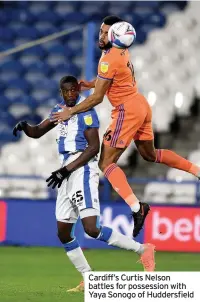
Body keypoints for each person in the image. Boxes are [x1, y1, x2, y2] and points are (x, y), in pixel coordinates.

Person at [52, 16, 200, 238]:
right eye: (101, 32)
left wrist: (70, 111)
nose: (101, 36)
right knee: (150, 155)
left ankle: (136, 208)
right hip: (140, 105)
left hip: (126, 111)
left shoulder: (108, 58)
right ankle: (196, 171)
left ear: (114, 35)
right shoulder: (120, 50)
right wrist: (91, 83)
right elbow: (114, 78)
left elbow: (97, 99)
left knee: (106, 162)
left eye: (105, 33)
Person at [13, 75, 156, 293]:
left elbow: (93, 148)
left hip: (82, 170)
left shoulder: (86, 113)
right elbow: (37, 132)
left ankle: (143, 250)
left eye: (74, 91)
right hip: (65, 172)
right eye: (67, 91)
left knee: (91, 228)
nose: (71, 95)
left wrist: (66, 170)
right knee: (63, 233)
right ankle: (88, 278)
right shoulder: (59, 111)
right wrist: (25, 126)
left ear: (78, 92)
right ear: (61, 92)